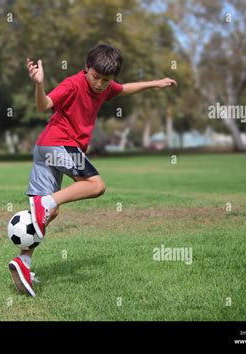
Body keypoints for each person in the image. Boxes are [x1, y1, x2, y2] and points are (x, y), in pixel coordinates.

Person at [9, 43, 177, 297]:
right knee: (96, 185)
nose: (99, 84)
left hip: (45, 148)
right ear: (86, 68)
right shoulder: (73, 84)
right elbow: (44, 105)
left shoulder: (106, 87)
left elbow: (125, 89)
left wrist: (157, 83)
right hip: (59, 145)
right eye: (96, 77)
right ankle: (46, 202)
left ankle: (23, 262)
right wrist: (39, 83)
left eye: (106, 80)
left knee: (46, 216)